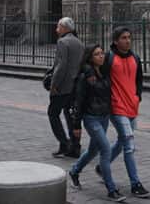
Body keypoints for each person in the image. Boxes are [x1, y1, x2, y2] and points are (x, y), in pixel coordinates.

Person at [68, 44, 126, 202]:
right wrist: (76, 125)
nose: (101, 56)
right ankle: (111, 189)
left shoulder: (104, 71)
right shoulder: (85, 76)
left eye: (102, 53)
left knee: (93, 150)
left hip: (104, 117)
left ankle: (74, 171)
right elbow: (78, 102)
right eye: (97, 54)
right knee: (106, 150)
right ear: (90, 58)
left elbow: (115, 54)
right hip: (91, 118)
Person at [101, 26, 150, 199]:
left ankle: (102, 165)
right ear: (115, 41)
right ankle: (135, 184)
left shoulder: (135, 58)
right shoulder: (109, 58)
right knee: (129, 146)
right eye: (123, 37)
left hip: (131, 106)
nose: (127, 40)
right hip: (117, 107)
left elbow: (139, 81)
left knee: (122, 142)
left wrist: (137, 97)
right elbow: (101, 79)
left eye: (129, 37)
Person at [49, 16, 84, 158]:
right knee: (70, 115)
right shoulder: (79, 42)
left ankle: (64, 143)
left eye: (58, 27)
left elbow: (61, 66)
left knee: (52, 113)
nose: (57, 29)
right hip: (75, 85)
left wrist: (54, 84)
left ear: (64, 28)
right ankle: (75, 146)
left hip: (63, 86)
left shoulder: (62, 42)